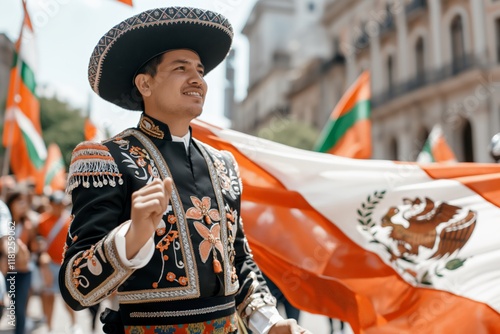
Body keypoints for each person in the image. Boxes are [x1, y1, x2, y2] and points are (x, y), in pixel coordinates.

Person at [59, 6, 310, 334]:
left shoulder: (223, 164)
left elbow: (239, 260)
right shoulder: (106, 158)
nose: (197, 79)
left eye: (200, 70)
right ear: (145, 84)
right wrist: (132, 238)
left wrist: (269, 322)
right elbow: (76, 290)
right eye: (181, 68)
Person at [37, 190, 82, 333]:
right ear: (50, 204)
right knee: (48, 297)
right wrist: (42, 257)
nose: (59, 207)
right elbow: (38, 242)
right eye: (56, 204)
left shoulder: (71, 220)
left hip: (66, 264)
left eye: (61, 204)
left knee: (68, 299)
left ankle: (74, 324)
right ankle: (49, 327)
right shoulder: (41, 221)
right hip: (49, 265)